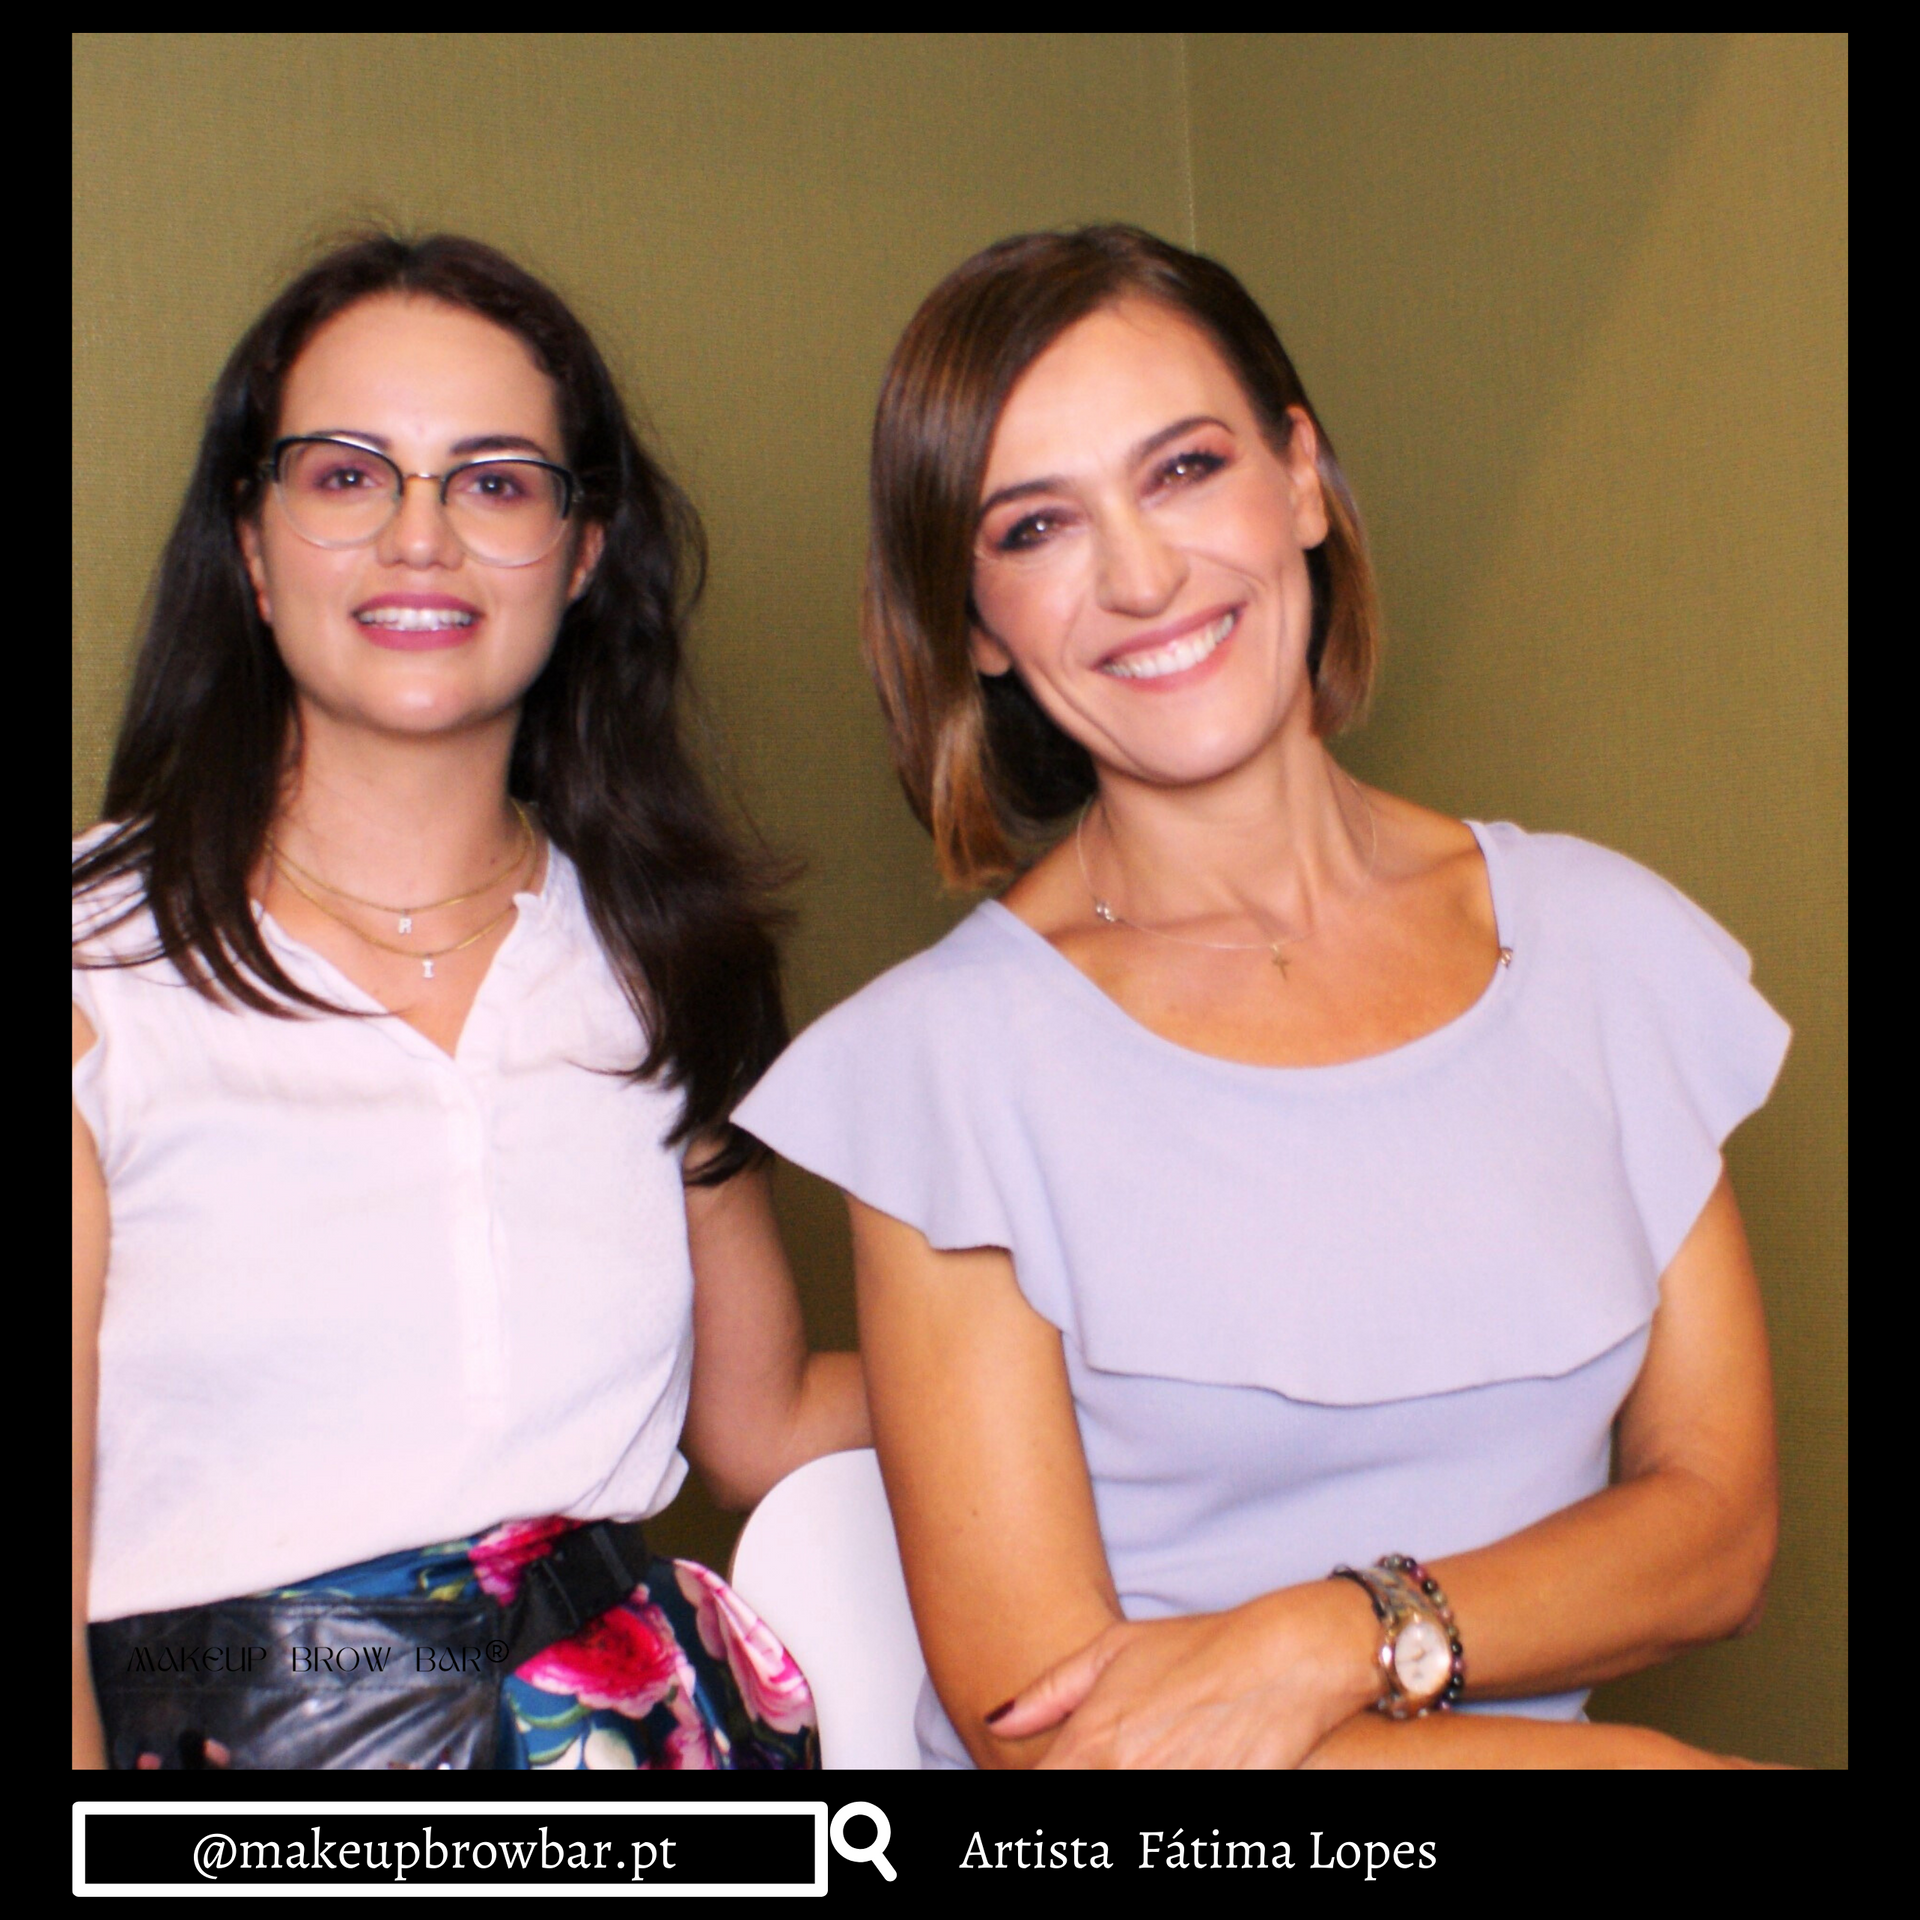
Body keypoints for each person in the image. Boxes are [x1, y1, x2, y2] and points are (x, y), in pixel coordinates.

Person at [734, 226, 1792, 1768]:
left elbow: (1715, 1535)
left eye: (1184, 469)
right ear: (975, 627)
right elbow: (1050, 1732)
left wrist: (1333, 1634)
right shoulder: (941, 1065)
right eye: (1037, 527)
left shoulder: (1605, 946)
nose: (1142, 575)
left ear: (1301, 481)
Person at [72, 233, 866, 1770]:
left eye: (495, 482)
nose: (420, 536)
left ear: (581, 554)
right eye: (346, 474)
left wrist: (1109, 1339)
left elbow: (761, 1424)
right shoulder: (97, 967)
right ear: (252, 545)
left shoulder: (659, 952)